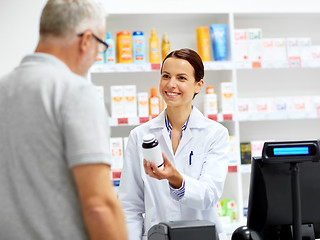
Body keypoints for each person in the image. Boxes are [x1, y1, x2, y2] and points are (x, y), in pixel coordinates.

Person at [0, 0, 128, 239]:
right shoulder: (74, 91)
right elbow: (99, 206)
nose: (96, 58)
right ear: (86, 40)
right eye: (101, 48)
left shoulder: (3, 88)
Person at [118, 48, 230, 240]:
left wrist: (176, 180)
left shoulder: (215, 134)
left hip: (200, 236)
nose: (171, 84)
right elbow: (129, 206)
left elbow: (209, 195)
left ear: (198, 85)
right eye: (166, 76)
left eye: (181, 78)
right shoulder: (139, 135)